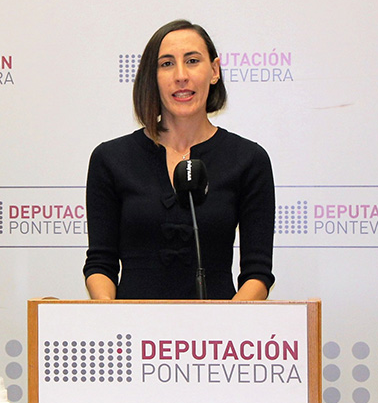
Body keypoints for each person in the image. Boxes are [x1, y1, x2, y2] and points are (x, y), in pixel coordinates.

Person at [83, 19, 274, 301]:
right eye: (167, 64)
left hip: (219, 326)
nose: (181, 76)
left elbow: (257, 273)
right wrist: (111, 315)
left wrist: (228, 321)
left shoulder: (249, 160)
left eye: (192, 61)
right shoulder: (110, 159)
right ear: (152, 77)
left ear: (214, 71)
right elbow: (101, 264)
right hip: (132, 325)